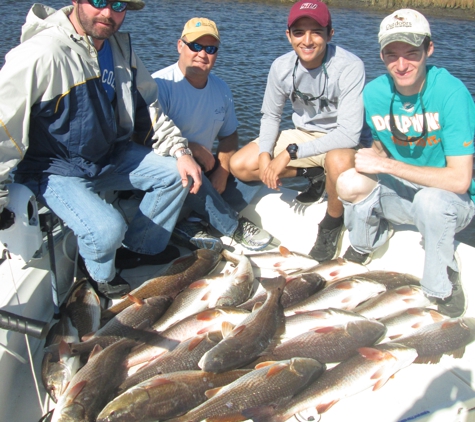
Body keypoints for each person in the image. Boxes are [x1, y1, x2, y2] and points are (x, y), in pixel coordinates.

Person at [0, 0, 202, 299]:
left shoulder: (118, 47)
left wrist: (181, 151)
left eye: (118, 4)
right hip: (53, 168)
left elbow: (149, 105)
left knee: (177, 174)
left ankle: (139, 250)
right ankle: (99, 277)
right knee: (107, 229)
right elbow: (4, 124)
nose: (108, 13)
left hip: (108, 156)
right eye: (98, 2)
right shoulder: (41, 52)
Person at [336, 9, 475, 318]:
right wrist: (373, 160)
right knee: (348, 180)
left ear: (429, 49)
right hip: (403, 194)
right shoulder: (374, 93)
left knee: (430, 201)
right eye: (391, 55)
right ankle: (366, 242)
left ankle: (443, 283)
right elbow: (380, 146)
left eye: (411, 53)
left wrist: (389, 167)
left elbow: (460, 180)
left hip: (449, 201)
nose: (401, 65)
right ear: (382, 54)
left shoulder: (451, 93)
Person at [229, 0, 368, 262]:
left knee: (337, 160)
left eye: (316, 31)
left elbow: (349, 134)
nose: (307, 40)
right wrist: (265, 158)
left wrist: (290, 153)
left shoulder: (350, 66)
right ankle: (312, 174)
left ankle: (331, 225)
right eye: (299, 32)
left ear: (330, 34)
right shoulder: (281, 67)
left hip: (343, 143)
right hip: (304, 135)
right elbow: (271, 116)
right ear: (288, 35)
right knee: (240, 165)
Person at [152, 17, 273, 252]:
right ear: (180, 46)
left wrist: (223, 169)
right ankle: (232, 225)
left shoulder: (221, 88)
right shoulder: (160, 84)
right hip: (172, 172)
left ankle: (192, 222)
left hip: (206, 171)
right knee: (187, 167)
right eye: (195, 46)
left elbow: (229, 136)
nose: (202, 54)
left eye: (210, 49)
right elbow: (145, 140)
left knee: (258, 165)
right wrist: (193, 148)